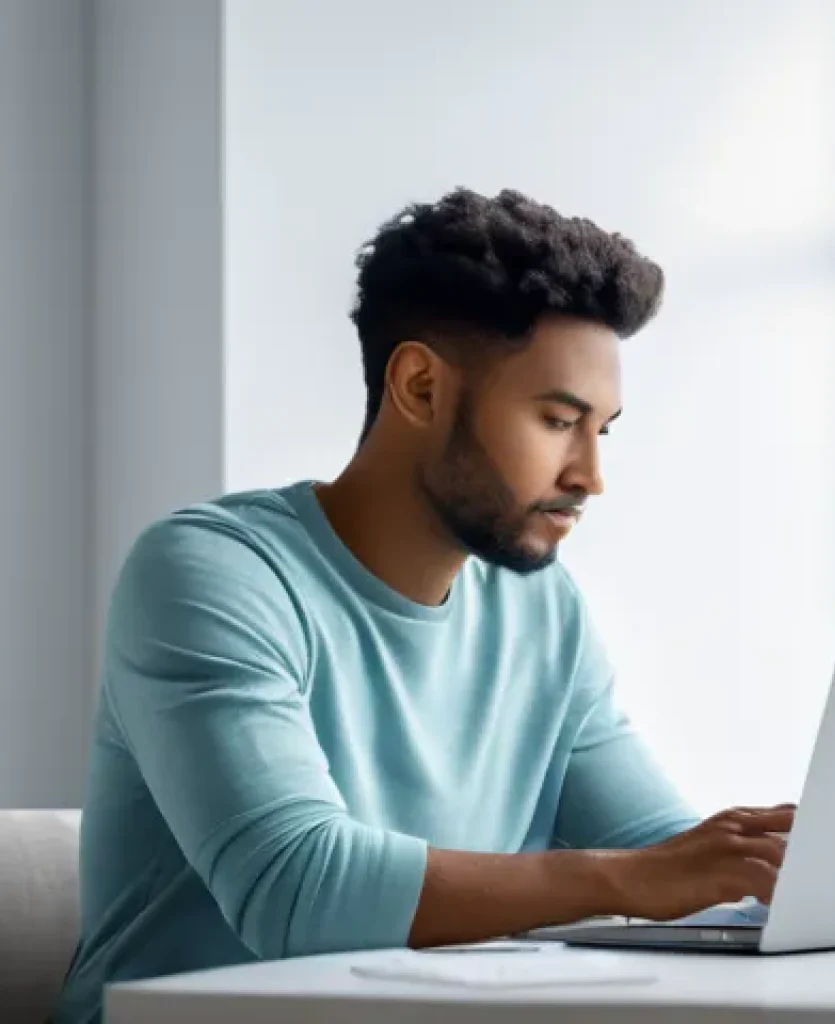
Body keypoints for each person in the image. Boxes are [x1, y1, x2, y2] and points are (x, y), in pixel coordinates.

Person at [55, 188, 792, 1023]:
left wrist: (792, 877)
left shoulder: (542, 610)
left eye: (603, 431)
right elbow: (296, 889)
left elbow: (670, 861)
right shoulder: (212, 573)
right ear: (418, 386)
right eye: (558, 421)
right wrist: (633, 880)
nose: (591, 474)